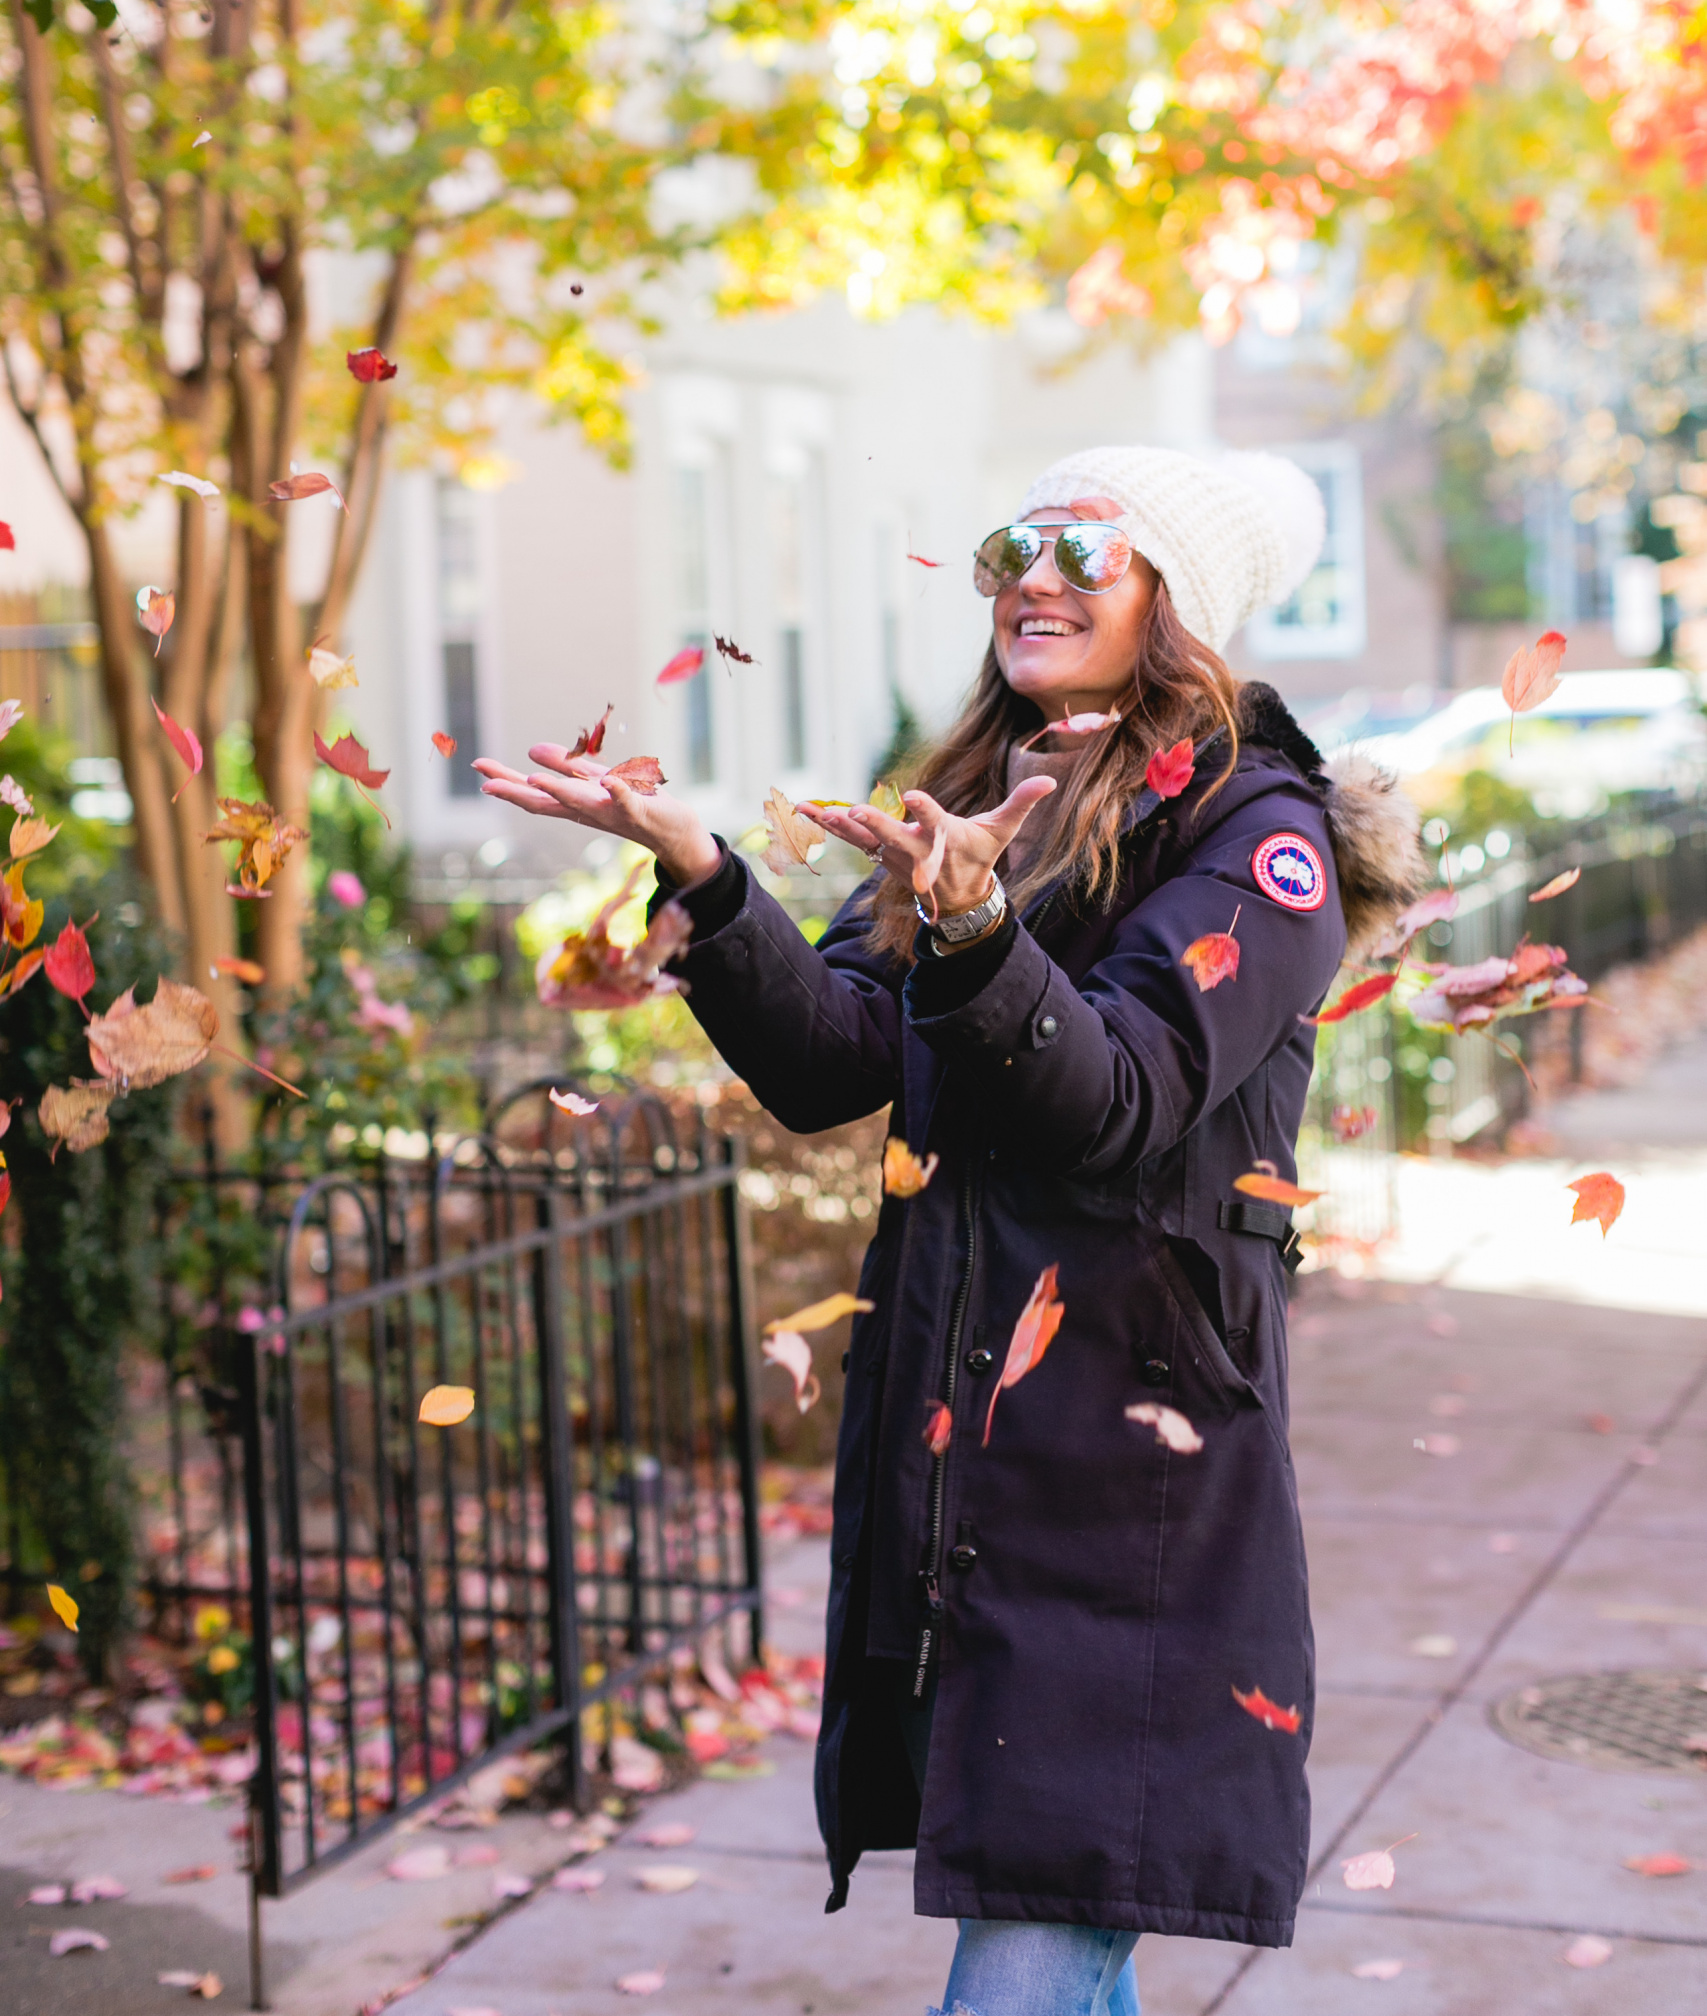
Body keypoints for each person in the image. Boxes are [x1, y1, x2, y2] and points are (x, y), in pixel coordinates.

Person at [477, 443, 1425, 2016]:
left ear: (1176, 603)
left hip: (1128, 1483)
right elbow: (836, 1059)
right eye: (1013, 545)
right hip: (962, 1456)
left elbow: (1117, 1093)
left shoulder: (1263, 842)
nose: (1033, 576)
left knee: (1042, 1945)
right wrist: (704, 874)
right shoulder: (981, 807)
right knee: (1050, 1935)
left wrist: (979, 927)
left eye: (1083, 549)